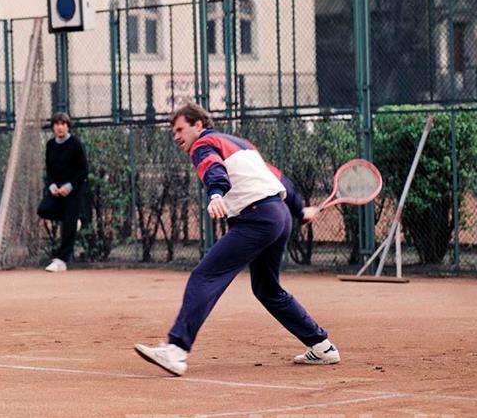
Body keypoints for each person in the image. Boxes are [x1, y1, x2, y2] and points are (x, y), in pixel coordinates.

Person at [134, 102, 339, 375]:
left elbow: (212, 168)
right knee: (267, 289)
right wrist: (299, 209)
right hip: (279, 217)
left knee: (205, 276)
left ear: (198, 125)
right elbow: (277, 177)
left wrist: (216, 193)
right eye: (173, 132)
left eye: (180, 129)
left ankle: (176, 349)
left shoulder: (202, 144)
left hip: (256, 218)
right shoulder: (240, 143)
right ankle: (322, 346)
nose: (176, 136)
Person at [37, 111, 89, 272]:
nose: (60, 127)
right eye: (57, 124)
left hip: (73, 189)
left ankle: (61, 260)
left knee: (68, 225)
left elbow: (83, 170)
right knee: (43, 209)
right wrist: (52, 185)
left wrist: (69, 186)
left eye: (63, 124)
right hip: (56, 190)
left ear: (68, 126)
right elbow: (49, 170)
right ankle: (73, 222)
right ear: (53, 127)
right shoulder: (50, 145)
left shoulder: (75, 144)